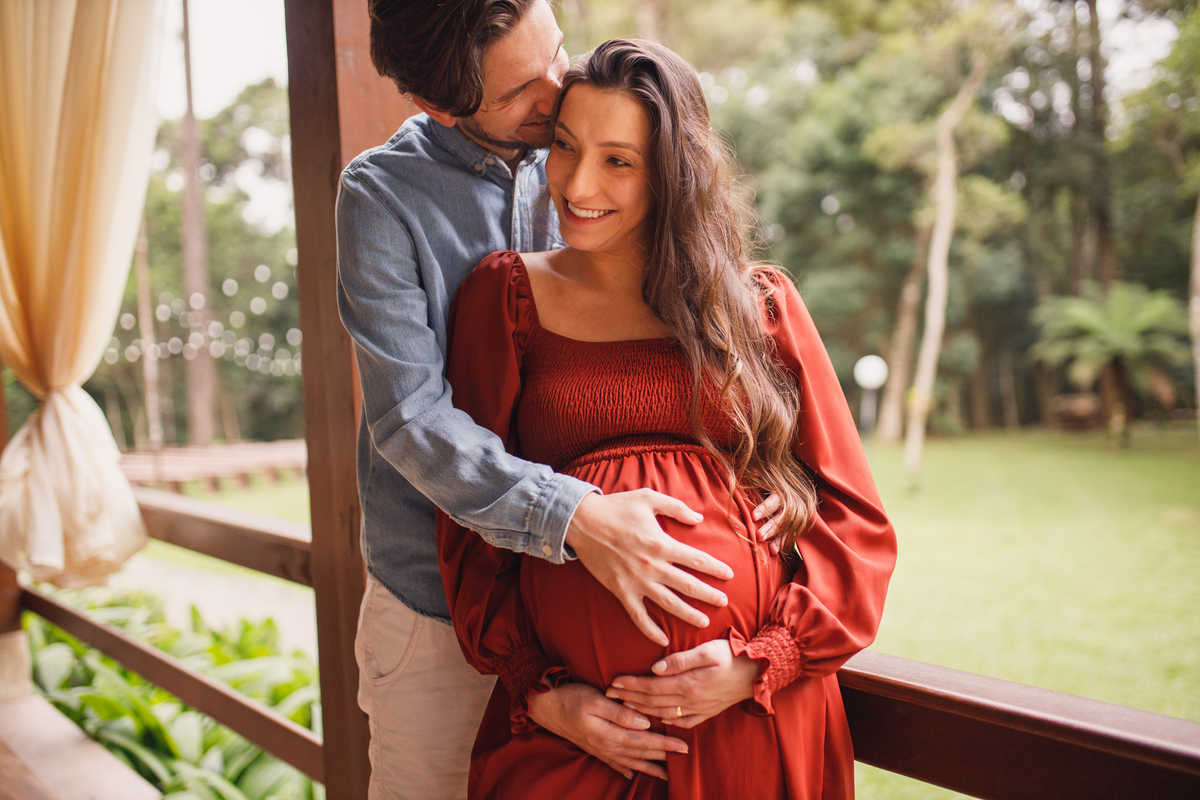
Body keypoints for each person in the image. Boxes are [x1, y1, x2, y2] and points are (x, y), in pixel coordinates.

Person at [338, 2, 785, 796]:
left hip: (609, 666)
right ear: (438, 105)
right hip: (439, 620)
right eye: (520, 93)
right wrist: (577, 519)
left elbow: (690, 340)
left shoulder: (600, 154)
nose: (558, 91)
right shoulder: (381, 201)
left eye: (556, 54)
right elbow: (410, 419)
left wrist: (777, 480)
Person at [438, 39, 898, 799]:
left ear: (674, 174)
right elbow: (468, 516)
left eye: (618, 161)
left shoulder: (761, 307)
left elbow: (857, 524)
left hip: (754, 717)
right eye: (565, 146)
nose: (577, 184)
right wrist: (541, 692)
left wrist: (760, 662)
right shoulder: (506, 296)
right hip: (583, 737)